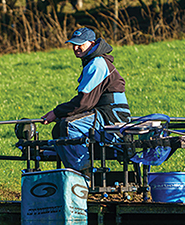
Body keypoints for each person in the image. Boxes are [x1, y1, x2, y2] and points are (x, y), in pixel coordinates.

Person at [41, 27, 130, 172]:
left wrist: (56, 112)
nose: (76, 48)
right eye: (73, 44)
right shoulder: (93, 62)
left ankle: (83, 174)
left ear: (92, 43)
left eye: (80, 44)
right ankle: (72, 173)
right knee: (59, 130)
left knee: (69, 126)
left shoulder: (97, 64)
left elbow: (84, 102)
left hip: (112, 116)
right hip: (103, 113)